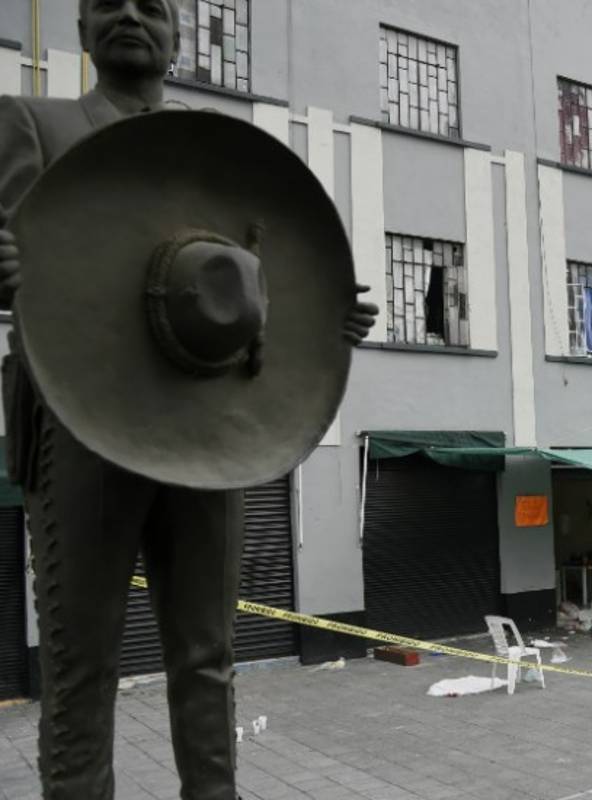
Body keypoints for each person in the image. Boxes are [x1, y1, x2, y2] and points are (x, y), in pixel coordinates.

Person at [0, 2, 377, 797]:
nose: (131, 16)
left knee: (207, 656)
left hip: (210, 427)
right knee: (81, 663)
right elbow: (20, 273)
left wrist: (321, 317)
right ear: (81, 28)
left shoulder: (219, 161)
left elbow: (254, 285)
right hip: (82, 422)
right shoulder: (35, 123)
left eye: (153, 7)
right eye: (110, 3)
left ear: (176, 38)